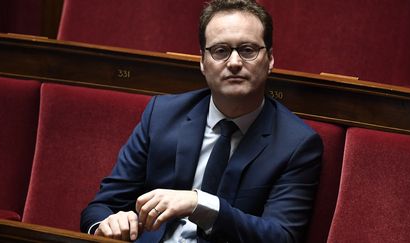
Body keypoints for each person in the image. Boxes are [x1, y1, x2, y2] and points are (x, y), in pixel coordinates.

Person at [80, 0, 323, 242]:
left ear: (269, 59)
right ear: (202, 62)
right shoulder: (161, 115)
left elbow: (281, 237)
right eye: (221, 51)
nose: (235, 62)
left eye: (248, 50)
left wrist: (201, 204)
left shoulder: (297, 144)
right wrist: (107, 224)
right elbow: (101, 207)